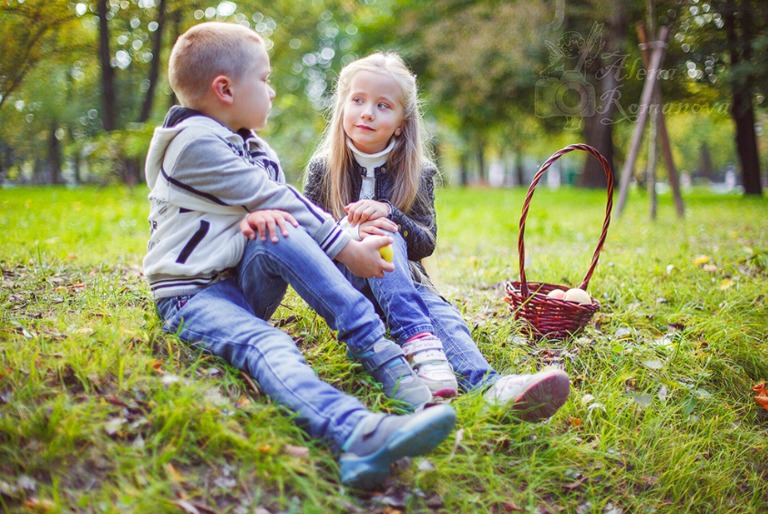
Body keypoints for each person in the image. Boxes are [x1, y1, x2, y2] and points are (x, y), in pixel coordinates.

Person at [142, 22, 456, 490]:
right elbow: (278, 196)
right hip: (193, 296)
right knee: (270, 343)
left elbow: (273, 204)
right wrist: (349, 250)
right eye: (264, 80)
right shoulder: (192, 145)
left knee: (277, 226)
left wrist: (255, 223)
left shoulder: (252, 146)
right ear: (224, 89)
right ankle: (359, 432)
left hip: (238, 282)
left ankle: (379, 354)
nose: (271, 91)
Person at [303, 52, 570, 422]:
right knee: (381, 233)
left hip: (404, 285)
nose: (367, 113)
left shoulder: (418, 172)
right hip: (345, 285)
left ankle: (491, 386)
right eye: (358, 100)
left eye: (382, 105)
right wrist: (353, 234)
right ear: (343, 107)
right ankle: (417, 340)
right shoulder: (323, 169)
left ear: (400, 123)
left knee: (442, 314)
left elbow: (424, 243)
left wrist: (390, 213)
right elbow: (306, 241)